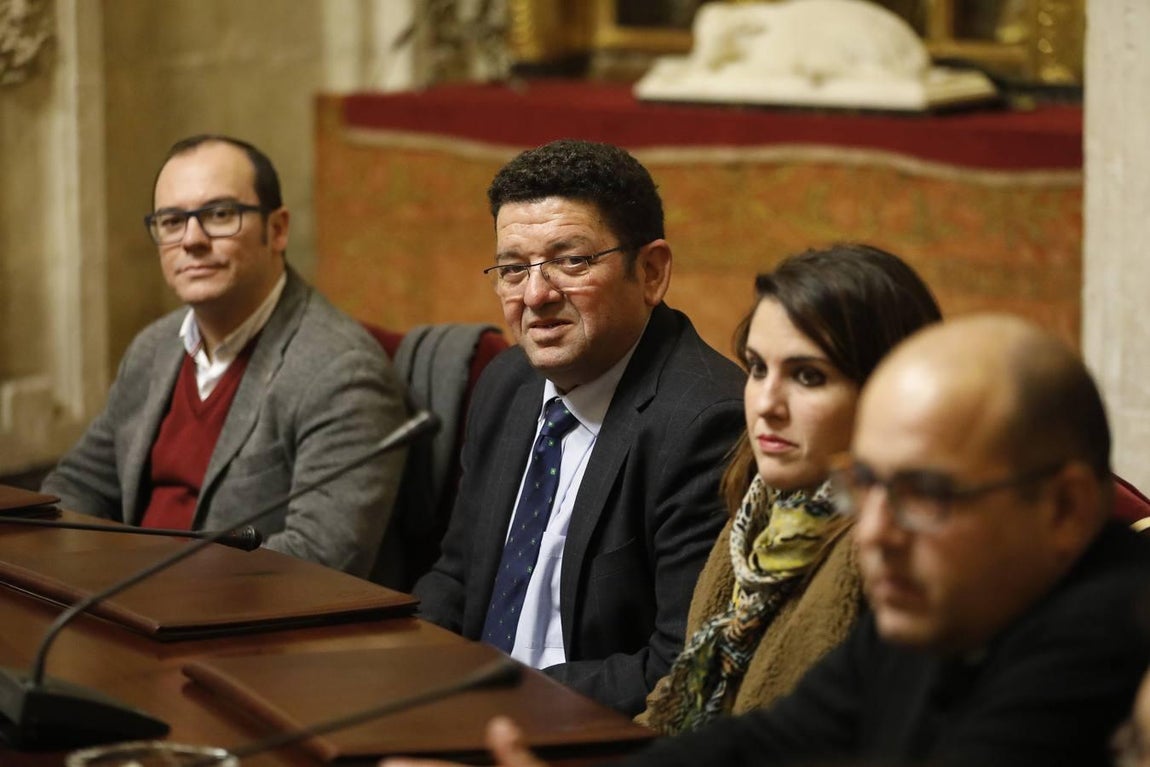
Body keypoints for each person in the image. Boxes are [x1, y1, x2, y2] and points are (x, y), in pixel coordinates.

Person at [389, 313, 1150, 767]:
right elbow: (762, 744)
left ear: (1065, 508)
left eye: (922, 493)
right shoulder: (938, 597)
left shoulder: (1104, 637)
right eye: (868, 484)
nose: (876, 531)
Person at [412, 139, 745, 715]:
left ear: (651, 271)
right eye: (513, 269)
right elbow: (458, 575)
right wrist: (398, 665)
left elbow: (679, 665)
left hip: (587, 731)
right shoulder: (507, 382)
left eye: (571, 261)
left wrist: (504, 699)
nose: (536, 296)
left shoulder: (704, 422)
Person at [42, 135, 408, 578]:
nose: (191, 240)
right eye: (172, 221)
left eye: (218, 215)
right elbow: (78, 485)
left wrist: (142, 585)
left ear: (277, 230)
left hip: (237, 635)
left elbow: (321, 560)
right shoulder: (153, 348)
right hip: (117, 605)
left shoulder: (341, 372)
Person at [636, 243, 942, 735]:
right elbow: (677, 696)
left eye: (808, 376)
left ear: (890, 389)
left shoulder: (896, 548)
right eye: (757, 368)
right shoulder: (760, 509)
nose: (767, 404)